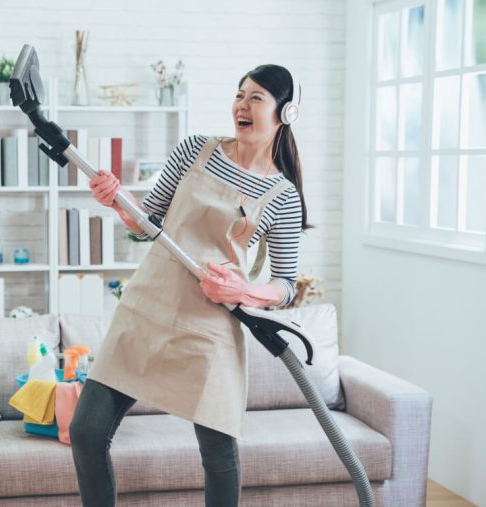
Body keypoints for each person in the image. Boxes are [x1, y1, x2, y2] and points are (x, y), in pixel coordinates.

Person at [69, 64, 313, 507]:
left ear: (285, 113)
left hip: (208, 329)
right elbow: (148, 223)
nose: (242, 104)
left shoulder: (283, 196)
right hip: (147, 308)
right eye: (239, 94)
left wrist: (244, 292)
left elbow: (286, 285)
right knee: (86, 431)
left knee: (218, 453)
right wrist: (117, 203)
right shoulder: (196, 150)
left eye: (256, 98)